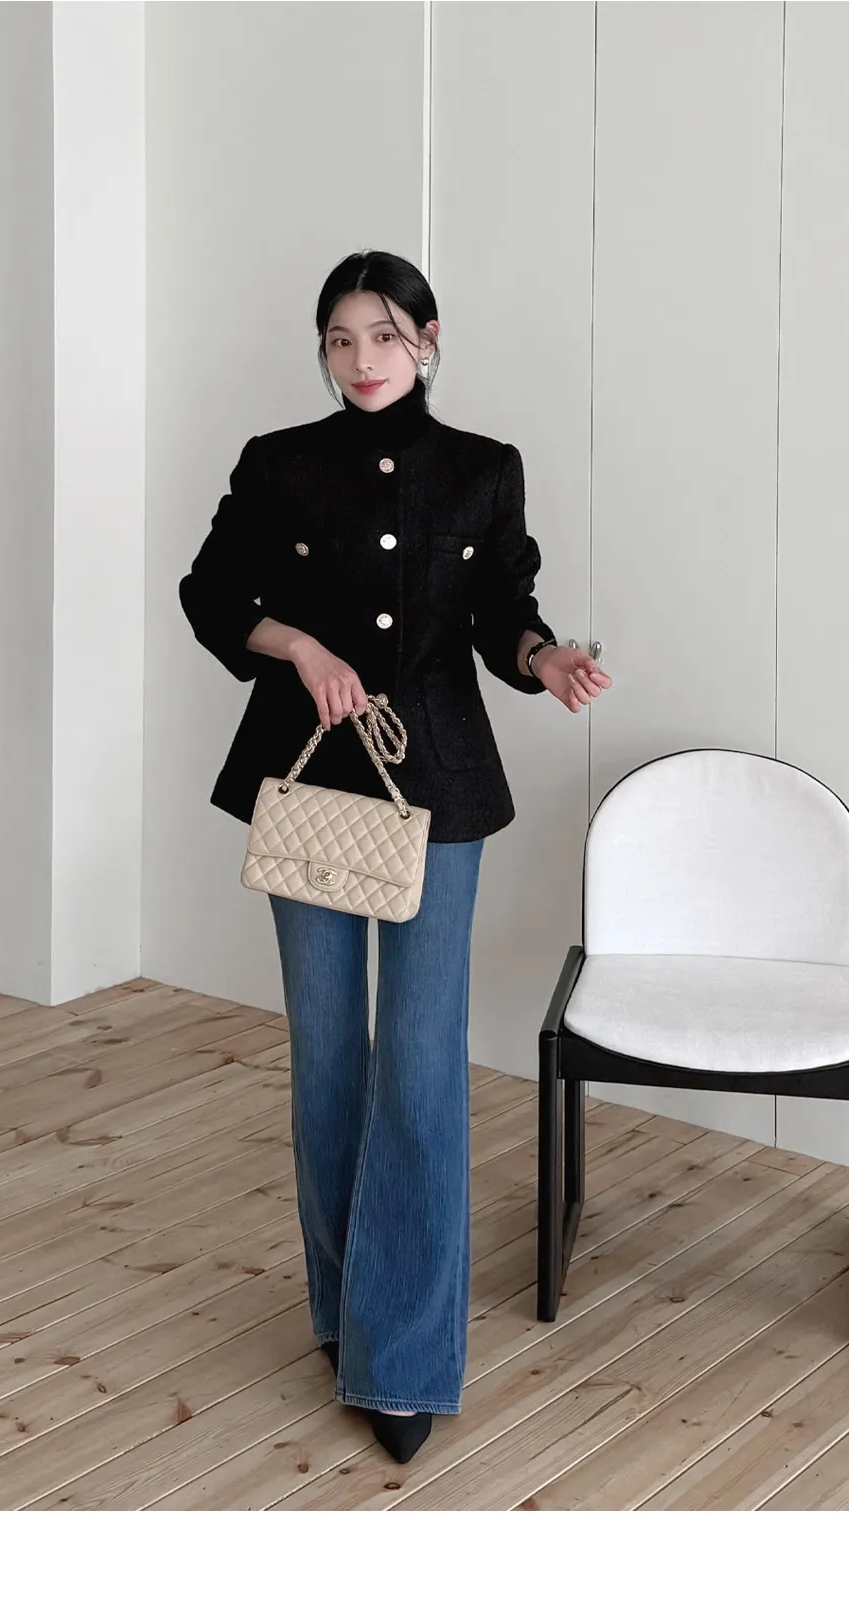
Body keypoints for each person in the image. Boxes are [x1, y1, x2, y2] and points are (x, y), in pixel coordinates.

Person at [179, 250, 612, 1464]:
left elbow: (502, 610)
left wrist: (542, 656)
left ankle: (404, 1357)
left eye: (382, 334)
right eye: (338, 338)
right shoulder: (278, 462)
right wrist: (302, 647)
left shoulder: (483, 468)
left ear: (427, 337)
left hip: (441, 786)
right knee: (329, 1055)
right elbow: (212, 592)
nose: (360, 359)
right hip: (309, 775)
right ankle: (343, 1312)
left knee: (418, 1063)